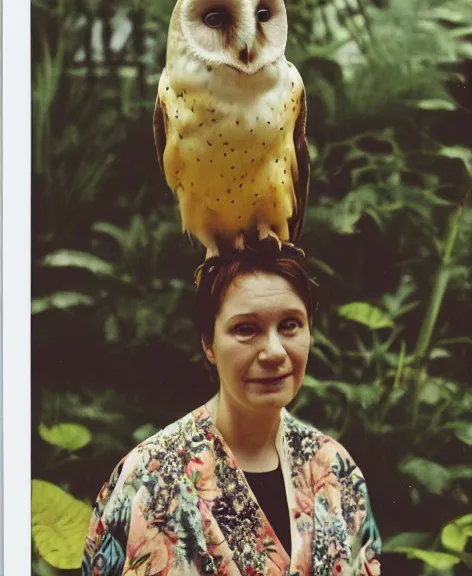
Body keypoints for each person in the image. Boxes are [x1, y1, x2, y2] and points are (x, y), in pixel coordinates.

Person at [82, 246, 382, 575]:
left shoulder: (333, 468)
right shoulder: (150, 474)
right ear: (208, 344)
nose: (274, 351)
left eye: (290, 325)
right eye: (246, 329)